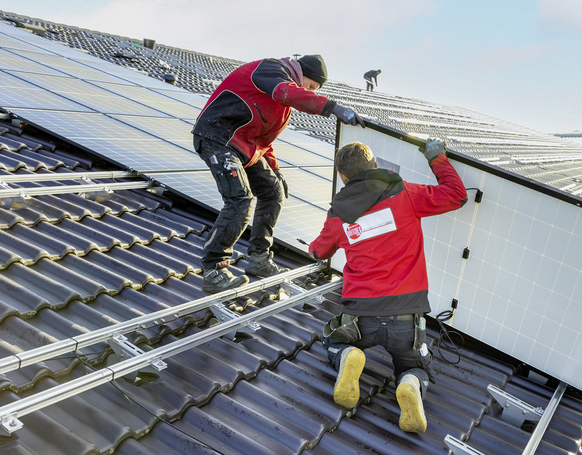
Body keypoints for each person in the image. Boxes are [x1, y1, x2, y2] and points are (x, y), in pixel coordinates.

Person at [308, 139, 467, 432]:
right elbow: (457, 196)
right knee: (417, 367)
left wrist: (333, 239)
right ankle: (408, 382)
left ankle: (348, 355)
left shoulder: (338, 213)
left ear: (343, 177)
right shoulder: (405, 193)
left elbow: (319, 252)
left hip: (360, 317)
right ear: (376, 166)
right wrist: (436, 157)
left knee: (332, 338)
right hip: (406, 320)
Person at [192, 55, 364, 293]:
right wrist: (332, 107)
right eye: (311, 86)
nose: (309, 90)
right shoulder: (272, 70)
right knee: (240, 200)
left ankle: (259, 259)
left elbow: (264, 142)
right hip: (217, 138)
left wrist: (276, 171)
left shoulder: (282, 109)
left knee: (274, 191)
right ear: (300, 73)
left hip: (244, 148)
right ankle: (214, 270)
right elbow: (287, 92)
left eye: (314, 90)